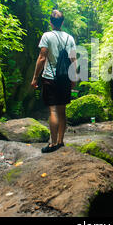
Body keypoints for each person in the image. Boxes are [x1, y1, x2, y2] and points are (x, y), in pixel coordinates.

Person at [31, 10, 77, 153]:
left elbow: (42, 57)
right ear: (63, 22)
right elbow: (73, 60)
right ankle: (61, 141)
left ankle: (53, 144)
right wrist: (74, 77)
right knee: (62, 111)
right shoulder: (70, 38)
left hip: (50, 77)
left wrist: (34, 77)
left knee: (53, 110)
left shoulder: (47, 36)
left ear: (50, 22)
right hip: (64, 78)